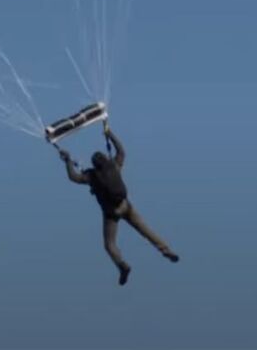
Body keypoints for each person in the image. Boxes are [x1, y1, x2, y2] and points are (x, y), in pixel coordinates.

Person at [56, 119, 179, 286]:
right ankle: (167, 251)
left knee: (109, 244)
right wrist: (109, 133)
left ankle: (122, 266)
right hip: (126, 206)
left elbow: (74, 177)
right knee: (146, 230)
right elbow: (122, 151)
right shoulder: (114, 165)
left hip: (111, 214)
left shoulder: (91, 176)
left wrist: (67, 161)